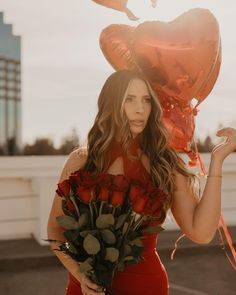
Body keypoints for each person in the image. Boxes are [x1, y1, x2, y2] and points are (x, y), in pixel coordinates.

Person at [47, 69, 236, 295]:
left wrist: (217, 162)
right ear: (111, 104)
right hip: (86, 289)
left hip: (146, 287)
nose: (140, 109)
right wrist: (80, 273)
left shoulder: (163, 162)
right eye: (129, 99)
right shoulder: (81, 160)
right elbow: (56, 229)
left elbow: (201, 233)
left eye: (146, 100)